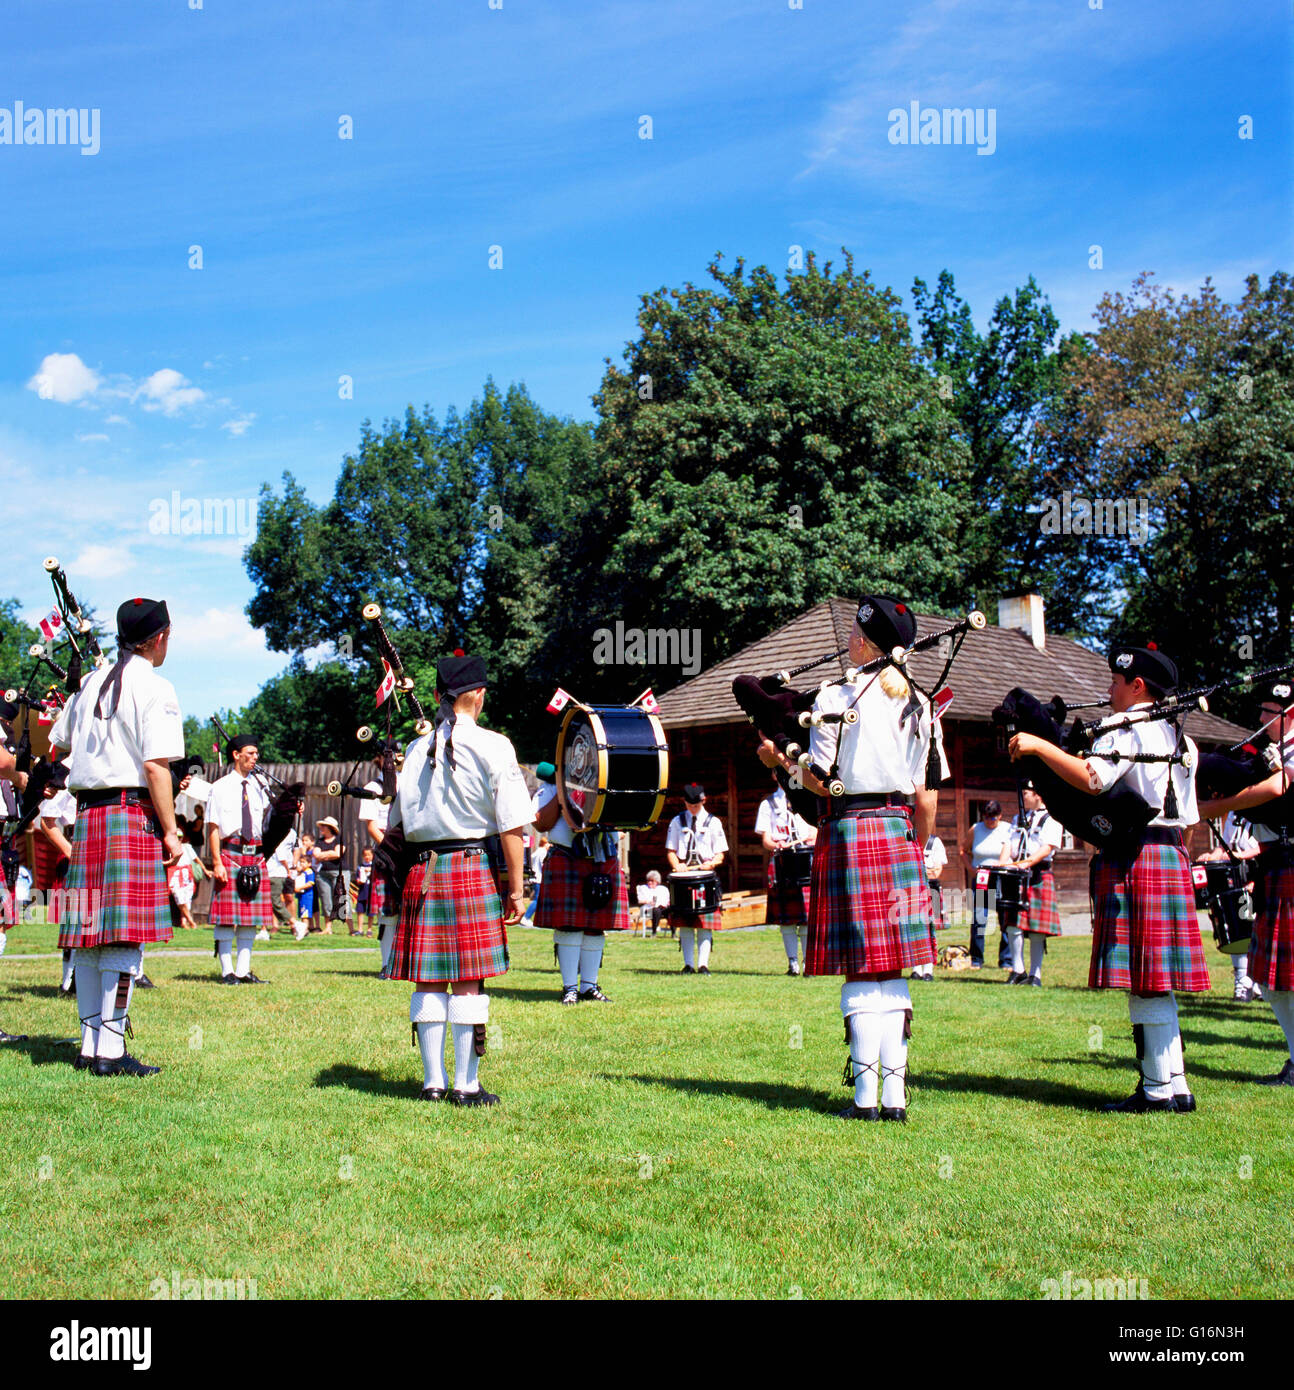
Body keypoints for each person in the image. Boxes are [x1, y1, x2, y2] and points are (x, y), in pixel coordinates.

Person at [756, 595, 945, 1123]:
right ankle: (896, 1098)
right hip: (900, 830)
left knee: (861, 968)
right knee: (892, 968)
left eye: (853, 637)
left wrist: (778, 761)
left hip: (851, 829)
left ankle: (865, 1101)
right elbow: (926, 793)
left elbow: (819, 778)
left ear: (864, 642)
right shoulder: (922, 704)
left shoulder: (836, 695)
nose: (846, 644)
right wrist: (919, 845)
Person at [1010, 642, 1208, 1113]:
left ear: (1136, 686)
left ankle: (1158, 1091)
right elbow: (1192, 819)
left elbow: (1092, 778)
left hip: (1137, 856)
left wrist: (1040, 745)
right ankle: (1174, 1084)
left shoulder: (1125, 725)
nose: (1107, 689)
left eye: (1115, 682)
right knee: (1157, 978)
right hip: (1171, 853)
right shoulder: (1184, 739)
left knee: (1146, 978)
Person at [48, 596, 185, 1076]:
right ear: (160, 636)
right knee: (124, 939)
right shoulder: (156, 687)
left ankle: (90, 1045)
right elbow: (155, 765)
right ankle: (110, 1051)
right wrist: (170, 831)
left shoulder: (88, 684)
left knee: (87, 935)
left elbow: (58, 744)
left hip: (87, 818)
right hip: (129, 816)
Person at [386, 652, 529, 1105]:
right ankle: (466, 1086)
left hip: (424, 870)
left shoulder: (413, 750)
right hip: (469, 867)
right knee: (467, 978)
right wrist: (517, 888)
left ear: (435, 696)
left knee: (428, 979)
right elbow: (511, 826)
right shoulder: (495, 744)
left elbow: (397, 821)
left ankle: (432, 1083)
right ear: (480, 695)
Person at [1198, 679, 1294, 1086]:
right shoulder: (1274, 751)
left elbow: (1279, 786)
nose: (1260, 718)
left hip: (1291, 861)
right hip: (1275, 862)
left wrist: (1216, 805)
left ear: (1288, 713)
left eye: (1267, 711)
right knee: (1274, 981)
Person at [533, 759, 629, 1005]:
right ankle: (569, 988)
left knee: (596, 925)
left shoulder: (608, 778)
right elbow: (541, 823)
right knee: (569, 925)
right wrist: (562, 788)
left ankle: (588, 985)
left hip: (603, 855)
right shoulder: (552, 785)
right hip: (567, 854)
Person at [205, 734, 272, 985]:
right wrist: (216, 861)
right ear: (236, 755)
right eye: (251, 753)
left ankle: (243, 971)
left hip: (255, 854)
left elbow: (270, 817)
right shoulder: (220, 787)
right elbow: (212, 827)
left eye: (256, 753)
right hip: (230, 853)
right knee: (226, 916)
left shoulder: (260, 785)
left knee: (249, 917)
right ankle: (226, 971)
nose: (256, 757)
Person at [997, 783, 1064, 986]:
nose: (1022, 796)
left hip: (1037, 874)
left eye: (1025, 793)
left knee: (1036, 928)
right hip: (1016, 875)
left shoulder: (1052, 819)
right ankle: (1018, 971)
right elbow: (1008, 844)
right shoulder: (1018, 819)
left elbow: (1047, 848)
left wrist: (1026, 863)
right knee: (1013, 924)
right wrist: (1002, 864)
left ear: (1037, 795)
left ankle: (1036, 975)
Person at [755, 768, 817, 975]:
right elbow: (765, 840)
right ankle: (792, 964)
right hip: (782, 861)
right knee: (787, 918)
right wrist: (776, 844)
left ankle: (809, 963)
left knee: (807, 917)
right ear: (774, 775)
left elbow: (816, 831)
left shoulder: (808, 799)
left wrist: (811, 837)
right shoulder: (768, 804)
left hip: (806, 858)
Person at [1195, 811, 1263, 1001]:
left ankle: (1258, 985)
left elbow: (1263, 846)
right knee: (1237, 930)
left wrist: (1239, 855)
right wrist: (1211, 855)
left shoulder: (1261, 807)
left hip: (1258, 872)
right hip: (1236, 877)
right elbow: (1225, 846)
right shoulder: (1233, 813)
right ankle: (1243, 983)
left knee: (1259, 933)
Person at [665, 783, 728, 974]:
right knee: (685, 923)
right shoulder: (676, 822)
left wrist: (713, 863)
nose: (693, 808)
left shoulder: (714, 822)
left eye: (697, 805)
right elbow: (671, 850)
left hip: (705, 878)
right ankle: (688, 965)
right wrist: (677, 865)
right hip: (683, 878)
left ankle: (703, 964)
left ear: (704, 800)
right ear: (684, 802)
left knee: (704, 923)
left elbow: (720, 854)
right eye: (689, 805)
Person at [358, 760, 397, 968]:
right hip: (386, 847)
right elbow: (372, 828)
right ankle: (386, 964)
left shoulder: (407, 784)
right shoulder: (372, 789)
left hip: (409, 845)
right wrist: (393, 848)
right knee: (387, 910)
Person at [960, 802, 1010, 968]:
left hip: (1001, 877)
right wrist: (970, 868)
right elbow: (963, 850)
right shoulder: (976, 829)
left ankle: (1006, 960)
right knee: (979, 918)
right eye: (987, 817)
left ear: (1000, 815)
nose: (990, 821)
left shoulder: (1007, 829)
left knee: (1005, 918)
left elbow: (1007, 851)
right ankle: (976, 959)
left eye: (993, 818)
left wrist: (1000, 865)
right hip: (981, 878)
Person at [911, 833, 948, 982]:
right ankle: (916, 968)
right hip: (911, 890)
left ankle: (928, 969)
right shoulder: (908, 837)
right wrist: (927, 870)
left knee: (929, 929)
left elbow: (936, 872)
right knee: (914, 929)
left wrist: (917, 872)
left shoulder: (935, 842)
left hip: (931, 890)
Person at [313, 817, 348, 935]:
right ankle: (328, 927)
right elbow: (316, 855)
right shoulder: (319, 841)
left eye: (324, 826)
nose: (321, 828)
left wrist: (323, 854)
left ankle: (351, 928)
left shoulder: (339, 839)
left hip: (338, 872)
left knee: (341, 898)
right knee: (326, 899)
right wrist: (330, 854)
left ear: (330, 828)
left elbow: (338, 853)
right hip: (323, 873)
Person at [267, 819, 297, 936]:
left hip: (283, 871)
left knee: (286, 897)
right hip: (276, 870)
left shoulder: (293, 833)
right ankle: (275, 925)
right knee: (275, 899)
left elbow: (295, 848)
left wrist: (292, 865)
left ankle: (295, 925)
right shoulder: (275, 831)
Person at [636, 869, 669, 935]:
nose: (650, 882)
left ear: (657, 881)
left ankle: (673, 934)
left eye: (652, 881)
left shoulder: (663, 889)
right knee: (656, 911)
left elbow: (667, 900)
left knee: (671, 911)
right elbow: (640, 901)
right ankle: (654, 932)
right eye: (648, 880)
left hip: (661, 908)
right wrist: (648, 901)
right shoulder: (643, 888)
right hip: (647, 910)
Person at [354, 846, 374, 935]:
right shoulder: (360, 866)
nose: (367, 857)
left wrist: (371, 870)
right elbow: (357, 878)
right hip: (362, 891)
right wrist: (358, 881)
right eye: (365, 855)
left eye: (369, 855)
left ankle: (369, 929)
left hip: (371, 892)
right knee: (360, 910)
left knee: (370, 912)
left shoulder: (374, 866)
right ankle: (360, 929)